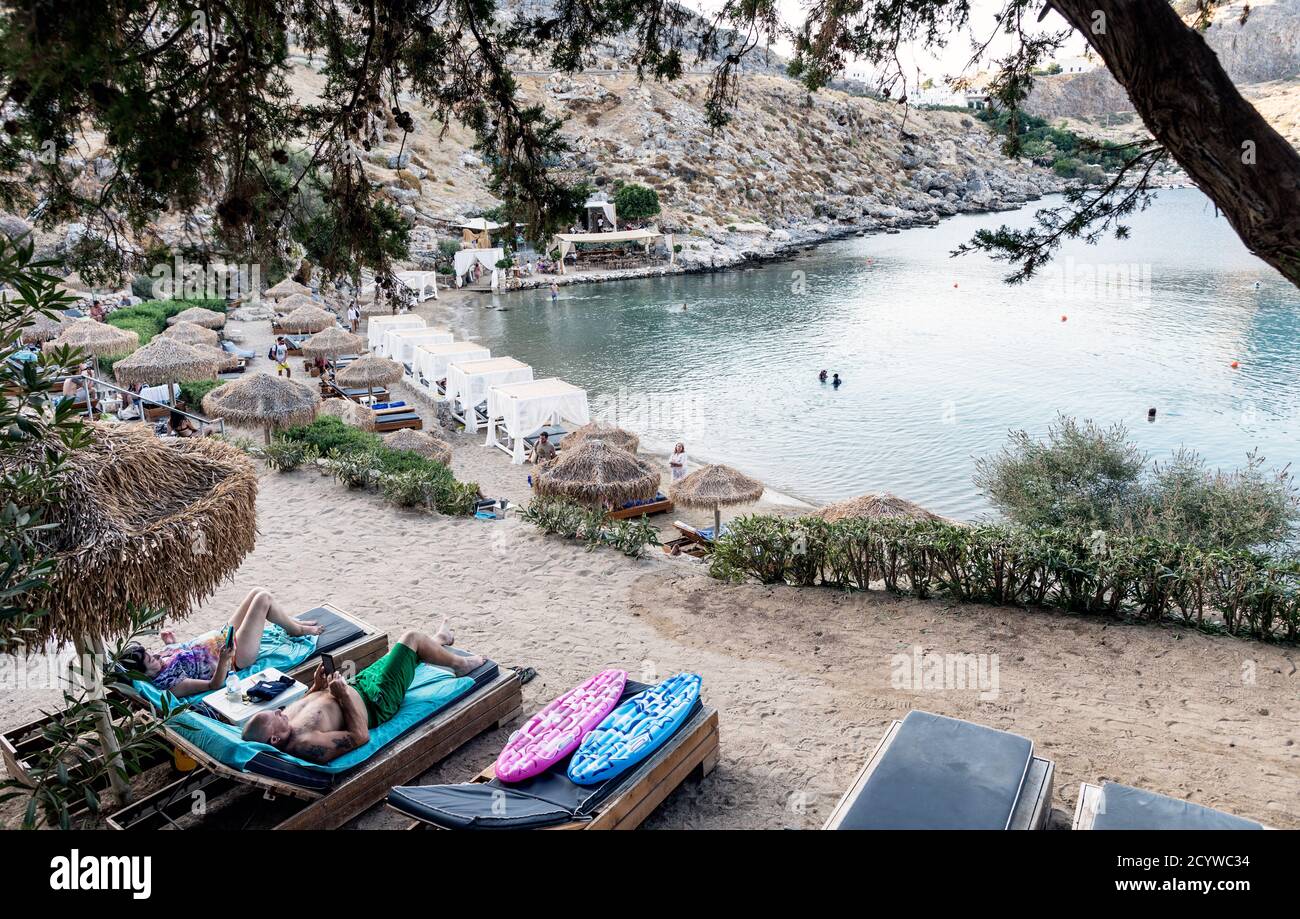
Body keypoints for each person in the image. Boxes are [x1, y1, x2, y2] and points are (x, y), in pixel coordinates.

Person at [241, 623, 482, 764]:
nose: (279, 710)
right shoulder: (305, 744)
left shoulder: (283, 725)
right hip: (377, 700)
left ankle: (439, 640)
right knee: (411, 638)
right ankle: (460, 665)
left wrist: (317, 686)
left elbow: (312, 708)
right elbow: (360, 736)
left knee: (401, 654)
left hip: (357, 685)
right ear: (274, 739)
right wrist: (343, 695)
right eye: (276, 715)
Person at [119, 588, 324, 698]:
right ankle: (296, 629)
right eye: (150, 660)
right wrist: (225, 659)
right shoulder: (172, 685)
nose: (155, 656)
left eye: (150, 652)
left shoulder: (160, 662)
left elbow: (185, 657)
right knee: (263, 599)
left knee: (256, 591)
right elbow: (213, 684)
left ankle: (293, 625)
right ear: (144, 674)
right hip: (235, 654)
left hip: (222, 635)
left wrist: (171, 643)